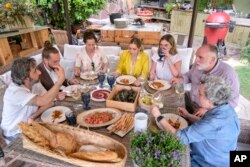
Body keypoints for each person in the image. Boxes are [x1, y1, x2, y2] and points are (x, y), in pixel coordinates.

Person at [151, 76, 240, 167]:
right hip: (224, 155)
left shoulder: (213, 123)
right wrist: (188, 116)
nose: (197, 95)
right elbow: (205, 124)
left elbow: (179, 138)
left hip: (209, 163)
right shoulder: (226, 108)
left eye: (200, 94)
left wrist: (159, 117)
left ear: (210, 100)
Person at [0, 57, 65, 141]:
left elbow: (48, 100)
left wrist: (34, 115)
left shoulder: (34, 83)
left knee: (61, 132)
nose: (39, 72)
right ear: (25, 78)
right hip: (15, 133)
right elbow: (44, 101)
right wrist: (60, 81)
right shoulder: (15, 92)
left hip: (30, 123)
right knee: (52, 140)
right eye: (35, 71)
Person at [172, 44, 240, 116]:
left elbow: (232, 102)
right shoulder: (197, 64)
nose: (196, 60)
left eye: (200, 57)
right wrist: (181, 79)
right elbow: (189, 76)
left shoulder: (227, 73)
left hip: (207, 113)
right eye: (196, 56)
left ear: (212, 60)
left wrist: (208, 110)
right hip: (191, 101)